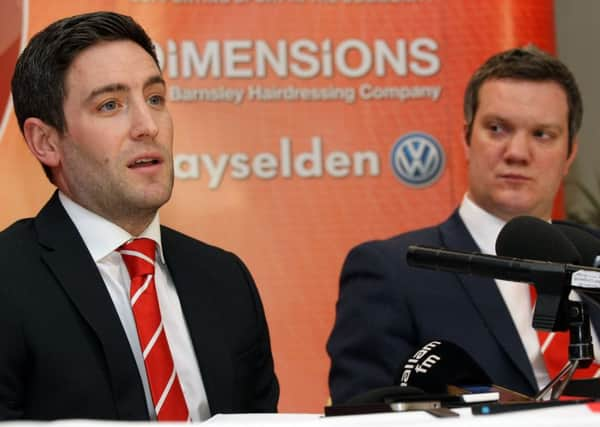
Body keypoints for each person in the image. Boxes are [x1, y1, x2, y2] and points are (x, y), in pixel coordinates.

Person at [0, 11, 278, 420]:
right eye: (110, 105)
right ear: (45, 142)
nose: (147, 126)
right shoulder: (8, 278)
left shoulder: (225, 279)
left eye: (155, 99)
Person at [327, 46, 600, 404]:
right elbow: (363, 412)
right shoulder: (392, 271)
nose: (517, 152)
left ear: (569, 155)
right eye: (498, 128)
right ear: (466, 138)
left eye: (542, 134)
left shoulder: (595, 257)